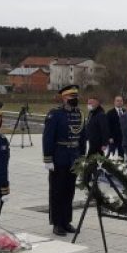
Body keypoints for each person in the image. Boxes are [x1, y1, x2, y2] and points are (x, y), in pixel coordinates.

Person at [43, 85, 86, 236]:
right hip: (59, 157)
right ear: (64, 98)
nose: (74, 99)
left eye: (76, 97)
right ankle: (56, 223)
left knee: (69, 191)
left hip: (73, 158)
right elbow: (48, 137)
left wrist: (82, 157)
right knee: (57, 191)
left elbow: (82, 138)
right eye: (71, 97)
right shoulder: (55, 114)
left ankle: (66, 220)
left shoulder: (80, 115)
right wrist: (48, 158)